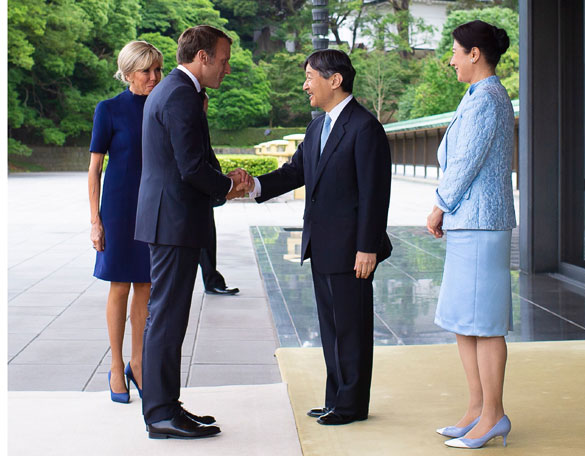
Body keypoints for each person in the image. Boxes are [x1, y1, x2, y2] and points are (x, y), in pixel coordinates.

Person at [247, 49, 392, 426]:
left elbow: (375, 195)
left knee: (351, 327)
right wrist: (254, 186)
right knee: (332, 328)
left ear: (335, 79)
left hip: (353, 249)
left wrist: (368, 247)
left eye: (310, 76)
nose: (305, 84)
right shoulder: (318, 127)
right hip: (322, 244)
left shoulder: (365, 127)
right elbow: (296, 172)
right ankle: (336, 398)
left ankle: (351, 405)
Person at [134, 25, 252, 439]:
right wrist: (228, 187)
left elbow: (192, 157)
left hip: (171, 219)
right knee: (166, 318)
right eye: (224, 60)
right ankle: (161, 413)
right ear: (202, 57)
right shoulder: (181, 94)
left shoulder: (173, 91)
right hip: (173, 221)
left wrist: (221, 181)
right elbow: (189, 167)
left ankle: (165, 405)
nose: (228, 69)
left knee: (167, 316)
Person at [426, 20, 516, 449]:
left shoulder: (488, 98)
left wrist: (439, 204)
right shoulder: (477, 95)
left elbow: (465, 163)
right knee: (466, 322)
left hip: (481, 221)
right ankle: (477, 409)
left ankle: (493, 415)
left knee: (485, 323)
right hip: (471, 221)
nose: (452, 59)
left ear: (475, 54)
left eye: (456, 51)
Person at [88, 40, 163, 404]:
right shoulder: (109, 109)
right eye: (147, 71)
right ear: (129, 72)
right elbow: (94, 171)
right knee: (119, 286)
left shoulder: (163, 106)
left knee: (146, 288)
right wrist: (94, 220)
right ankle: (116, 366)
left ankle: (138, 363)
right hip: (117, 208)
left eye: (157, 70)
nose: (154, 77)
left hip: (152, 208)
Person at [200, 91, 239, 296]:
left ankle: (212, 279)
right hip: (195, 193)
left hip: (205, 192)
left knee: (207, 240)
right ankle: (212, 279)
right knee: (203, 241)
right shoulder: (190, 121)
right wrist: (226, 187)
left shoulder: (200, 122)